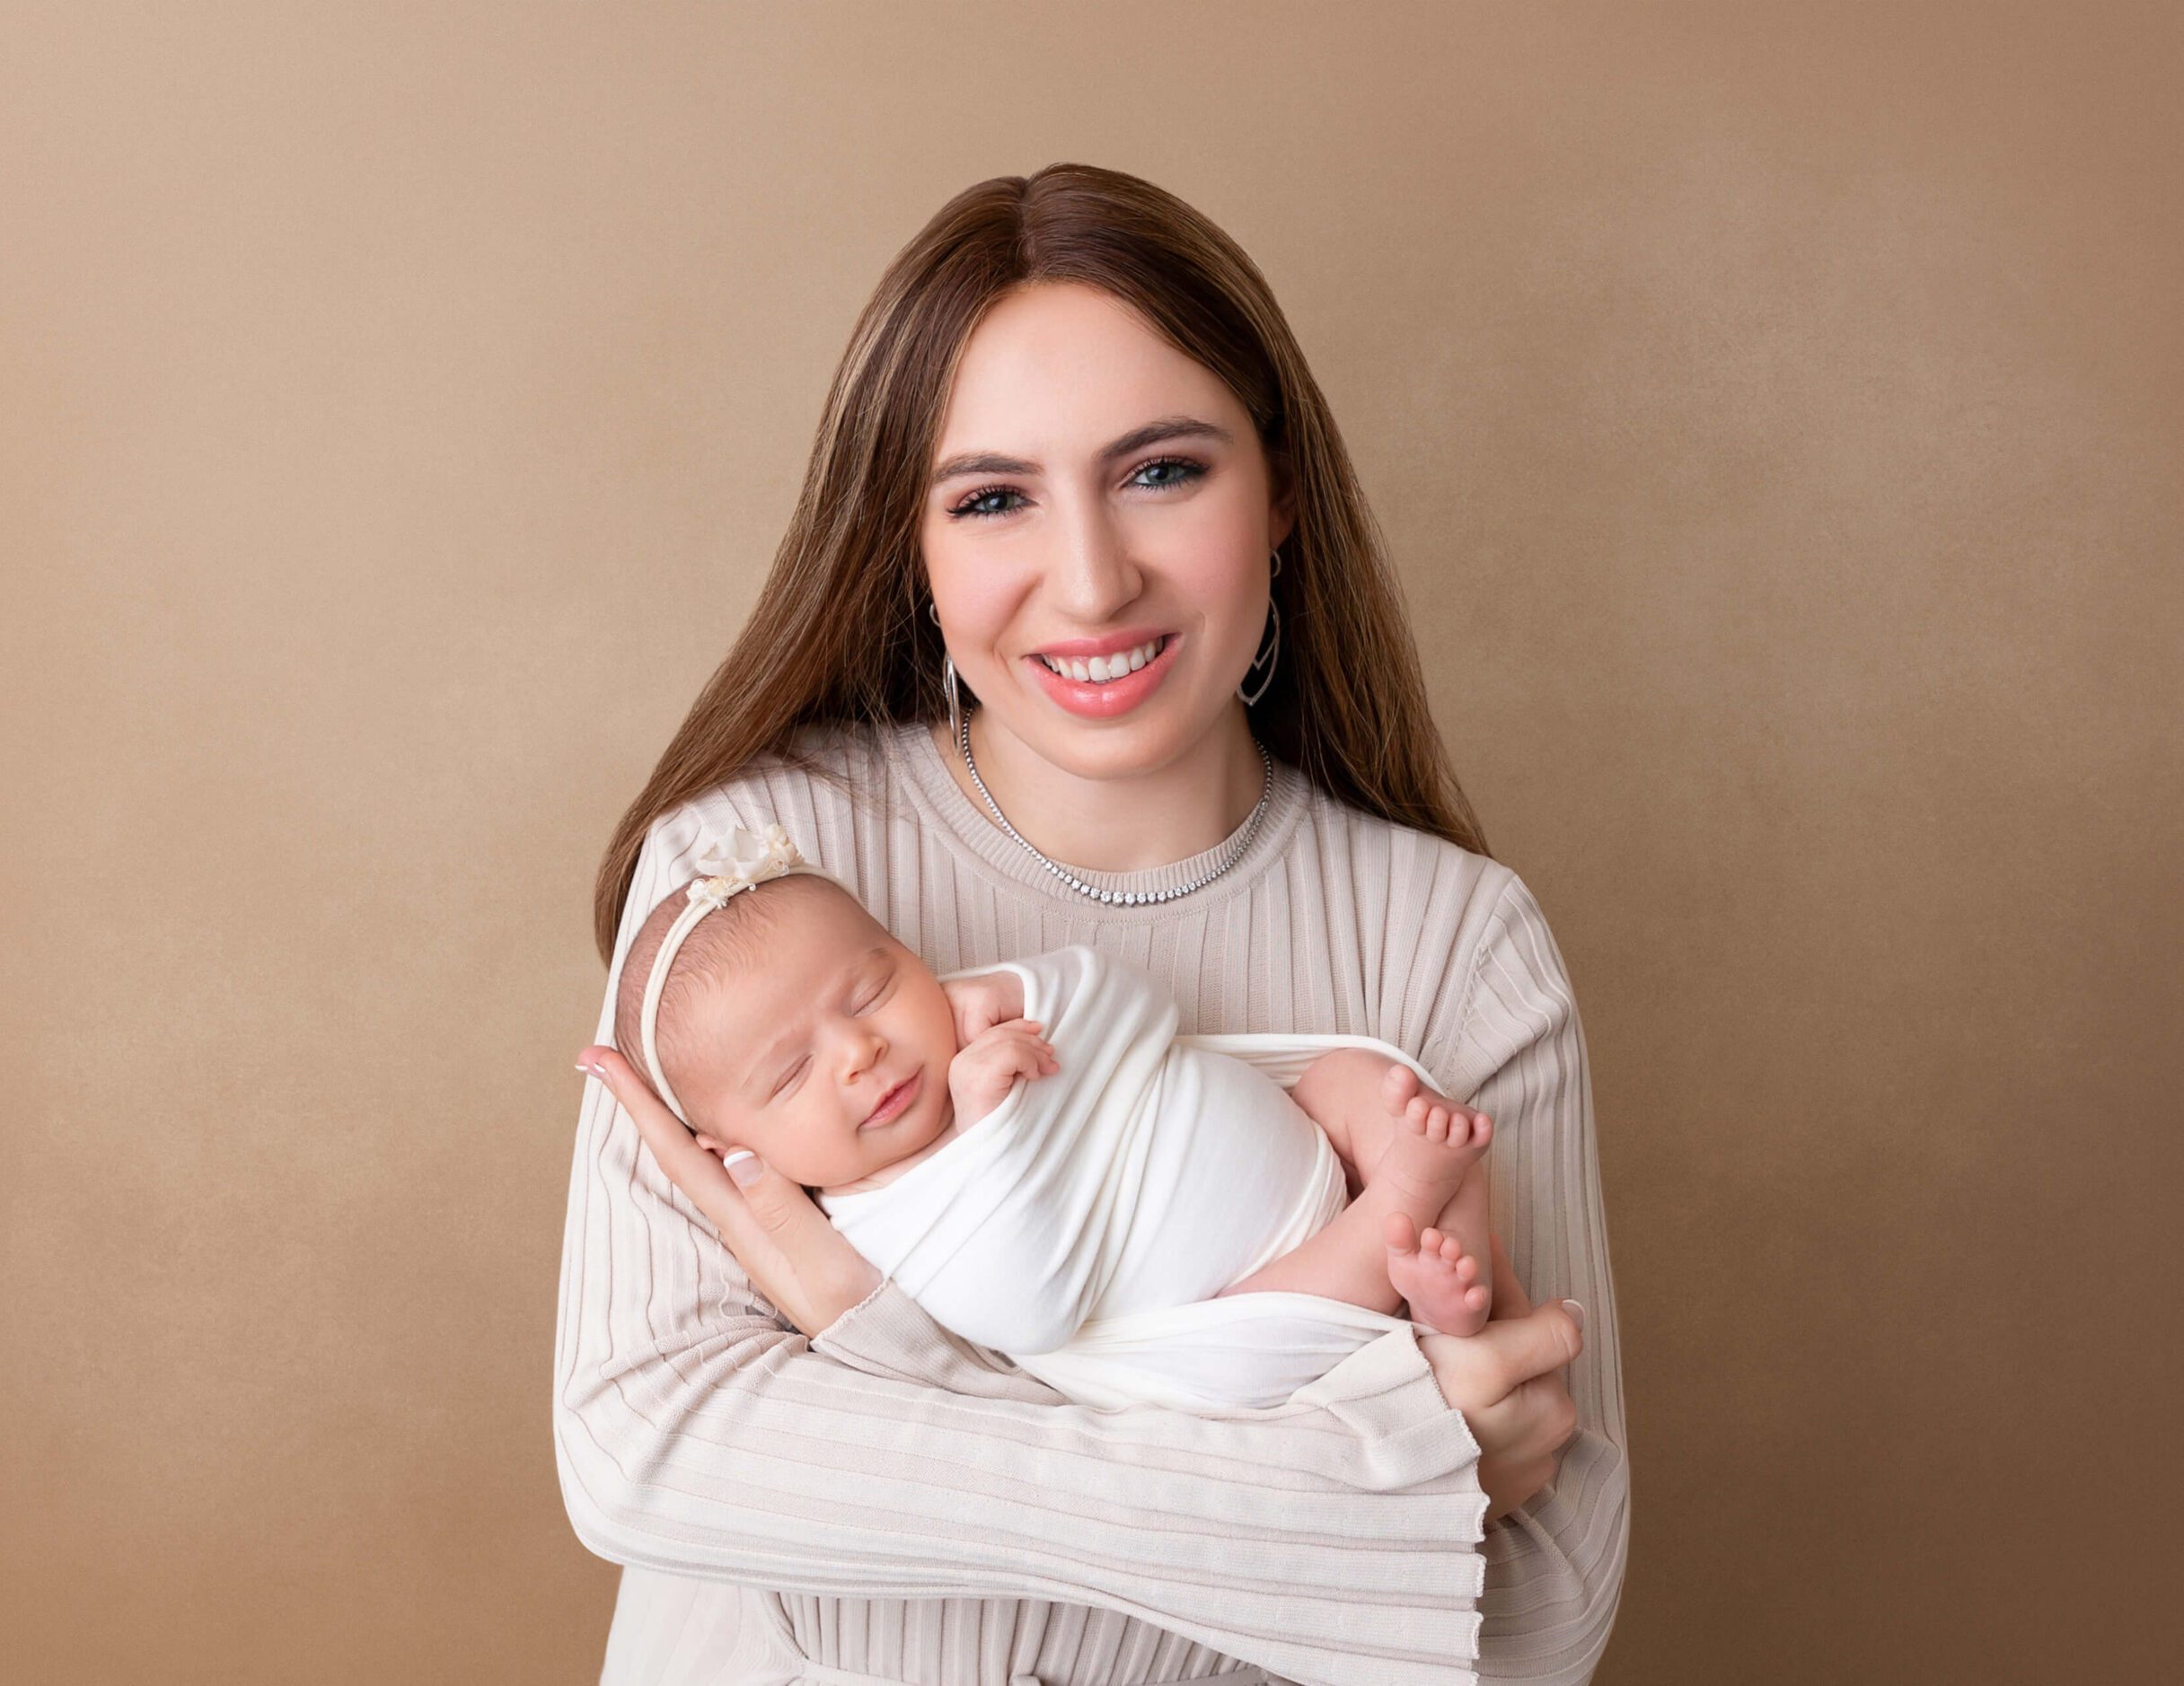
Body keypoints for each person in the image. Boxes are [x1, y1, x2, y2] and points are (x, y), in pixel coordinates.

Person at [557, 162, 1628, 1686]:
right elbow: (650, 1451)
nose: (1090, 578)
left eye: (1162, 472)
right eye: (993, 497)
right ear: (909, 552)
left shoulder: (1454, 941)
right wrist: (1370, 1493)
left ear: (1282, 497)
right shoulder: (750, 871)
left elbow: (1539, 1609)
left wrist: (879, 1395)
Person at [608, 824, 1499, 1413]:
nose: (859, 1051)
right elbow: (1028, 1309)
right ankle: (1408, 1219)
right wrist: (991, 1125)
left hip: (1311, 1140)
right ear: (735, 1152)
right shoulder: (879, 1220)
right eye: (792, 1072)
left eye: (873, 989)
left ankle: (1427, 1270)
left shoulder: (974, 1025)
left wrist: (1014, 991)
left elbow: (1136, 1011)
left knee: (1357, 1075)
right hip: (1242, 1306)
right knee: (1254, 1348)